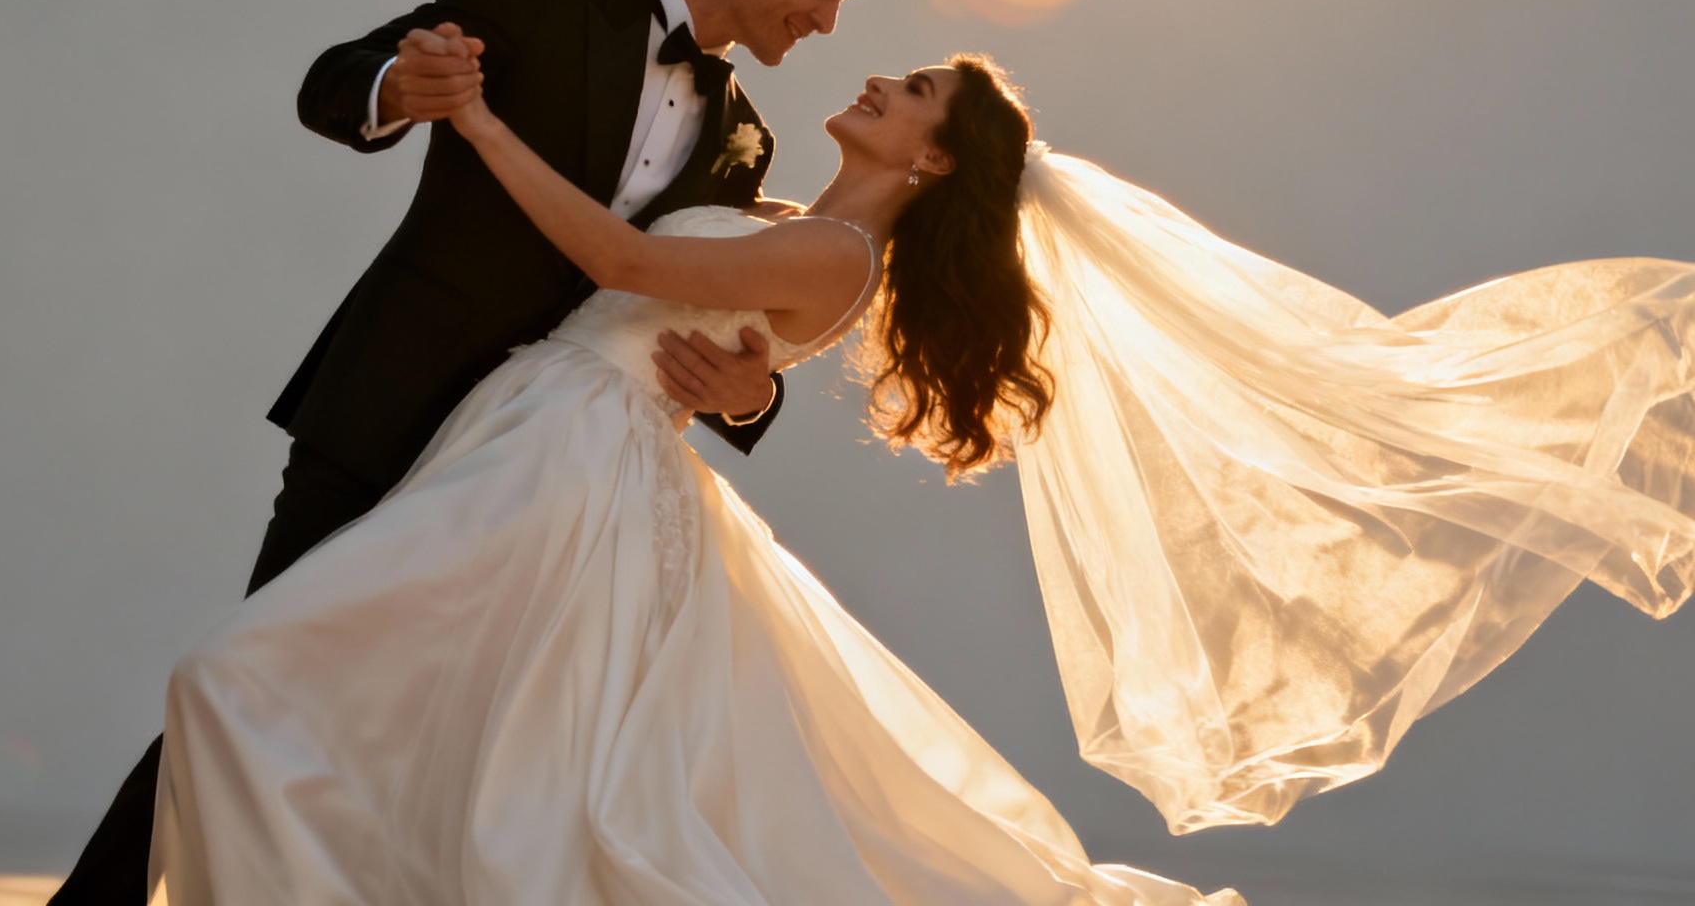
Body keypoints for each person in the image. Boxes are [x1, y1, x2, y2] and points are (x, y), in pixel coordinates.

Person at [152, 46, 1245, 906]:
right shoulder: (782, 217)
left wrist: (477, 119)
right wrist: (745, 389)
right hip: (534, 432)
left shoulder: (834, 257)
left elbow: (624, 265)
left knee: (247, 676)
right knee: (425, 739)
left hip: (566, 471)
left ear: (935, 159)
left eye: (911, 89)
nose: (875, 78)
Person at [50, 0, 915, 906]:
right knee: (258, 676)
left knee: (445, 755)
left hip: (545, 481)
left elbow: (694, 300)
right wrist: (399, 87)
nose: (828, 20)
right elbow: (336, 81)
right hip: (388, 411)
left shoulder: (745, 138)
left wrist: (751, 392)